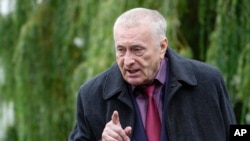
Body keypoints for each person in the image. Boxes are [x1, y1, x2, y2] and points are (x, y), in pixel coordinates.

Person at [68, 7, 236, 141]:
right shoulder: (91, 95)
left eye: (137, 50)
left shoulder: (208, 80)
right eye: (121, 50)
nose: (127, 61)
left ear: (162, 46)